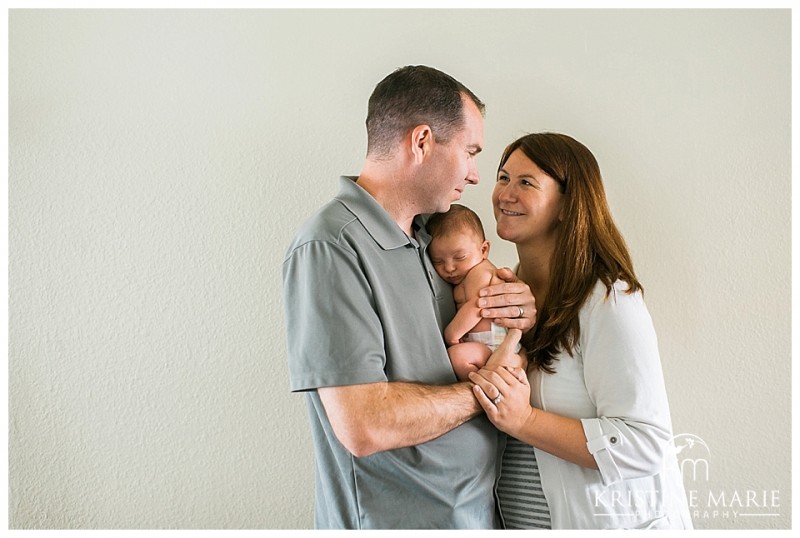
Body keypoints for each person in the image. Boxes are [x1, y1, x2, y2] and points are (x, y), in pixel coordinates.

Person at [282, 66, 536, 529]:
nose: (477, 176)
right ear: (421, 141)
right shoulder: (331, 247)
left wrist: (516, 309)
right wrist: (487, 390)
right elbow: (365, 424)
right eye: (470, 152)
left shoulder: (434, 245)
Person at [469, 132, 693, 529]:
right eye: (503, 178)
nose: (505, 193)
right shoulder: (499, 297)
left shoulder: (609, 299)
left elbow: (646, 444)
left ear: (566, 205)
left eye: (526, 182)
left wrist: (523, 421)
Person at [427, 204, 518, 381]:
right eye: (438, 261)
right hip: (484, 344)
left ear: (483, 250)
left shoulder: (481, 272)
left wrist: (451, 334)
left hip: (494, 343)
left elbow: (478, 306)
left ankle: (484, 390)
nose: (449, 268)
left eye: (459, 257)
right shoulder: (466, 274)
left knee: (457, 356)